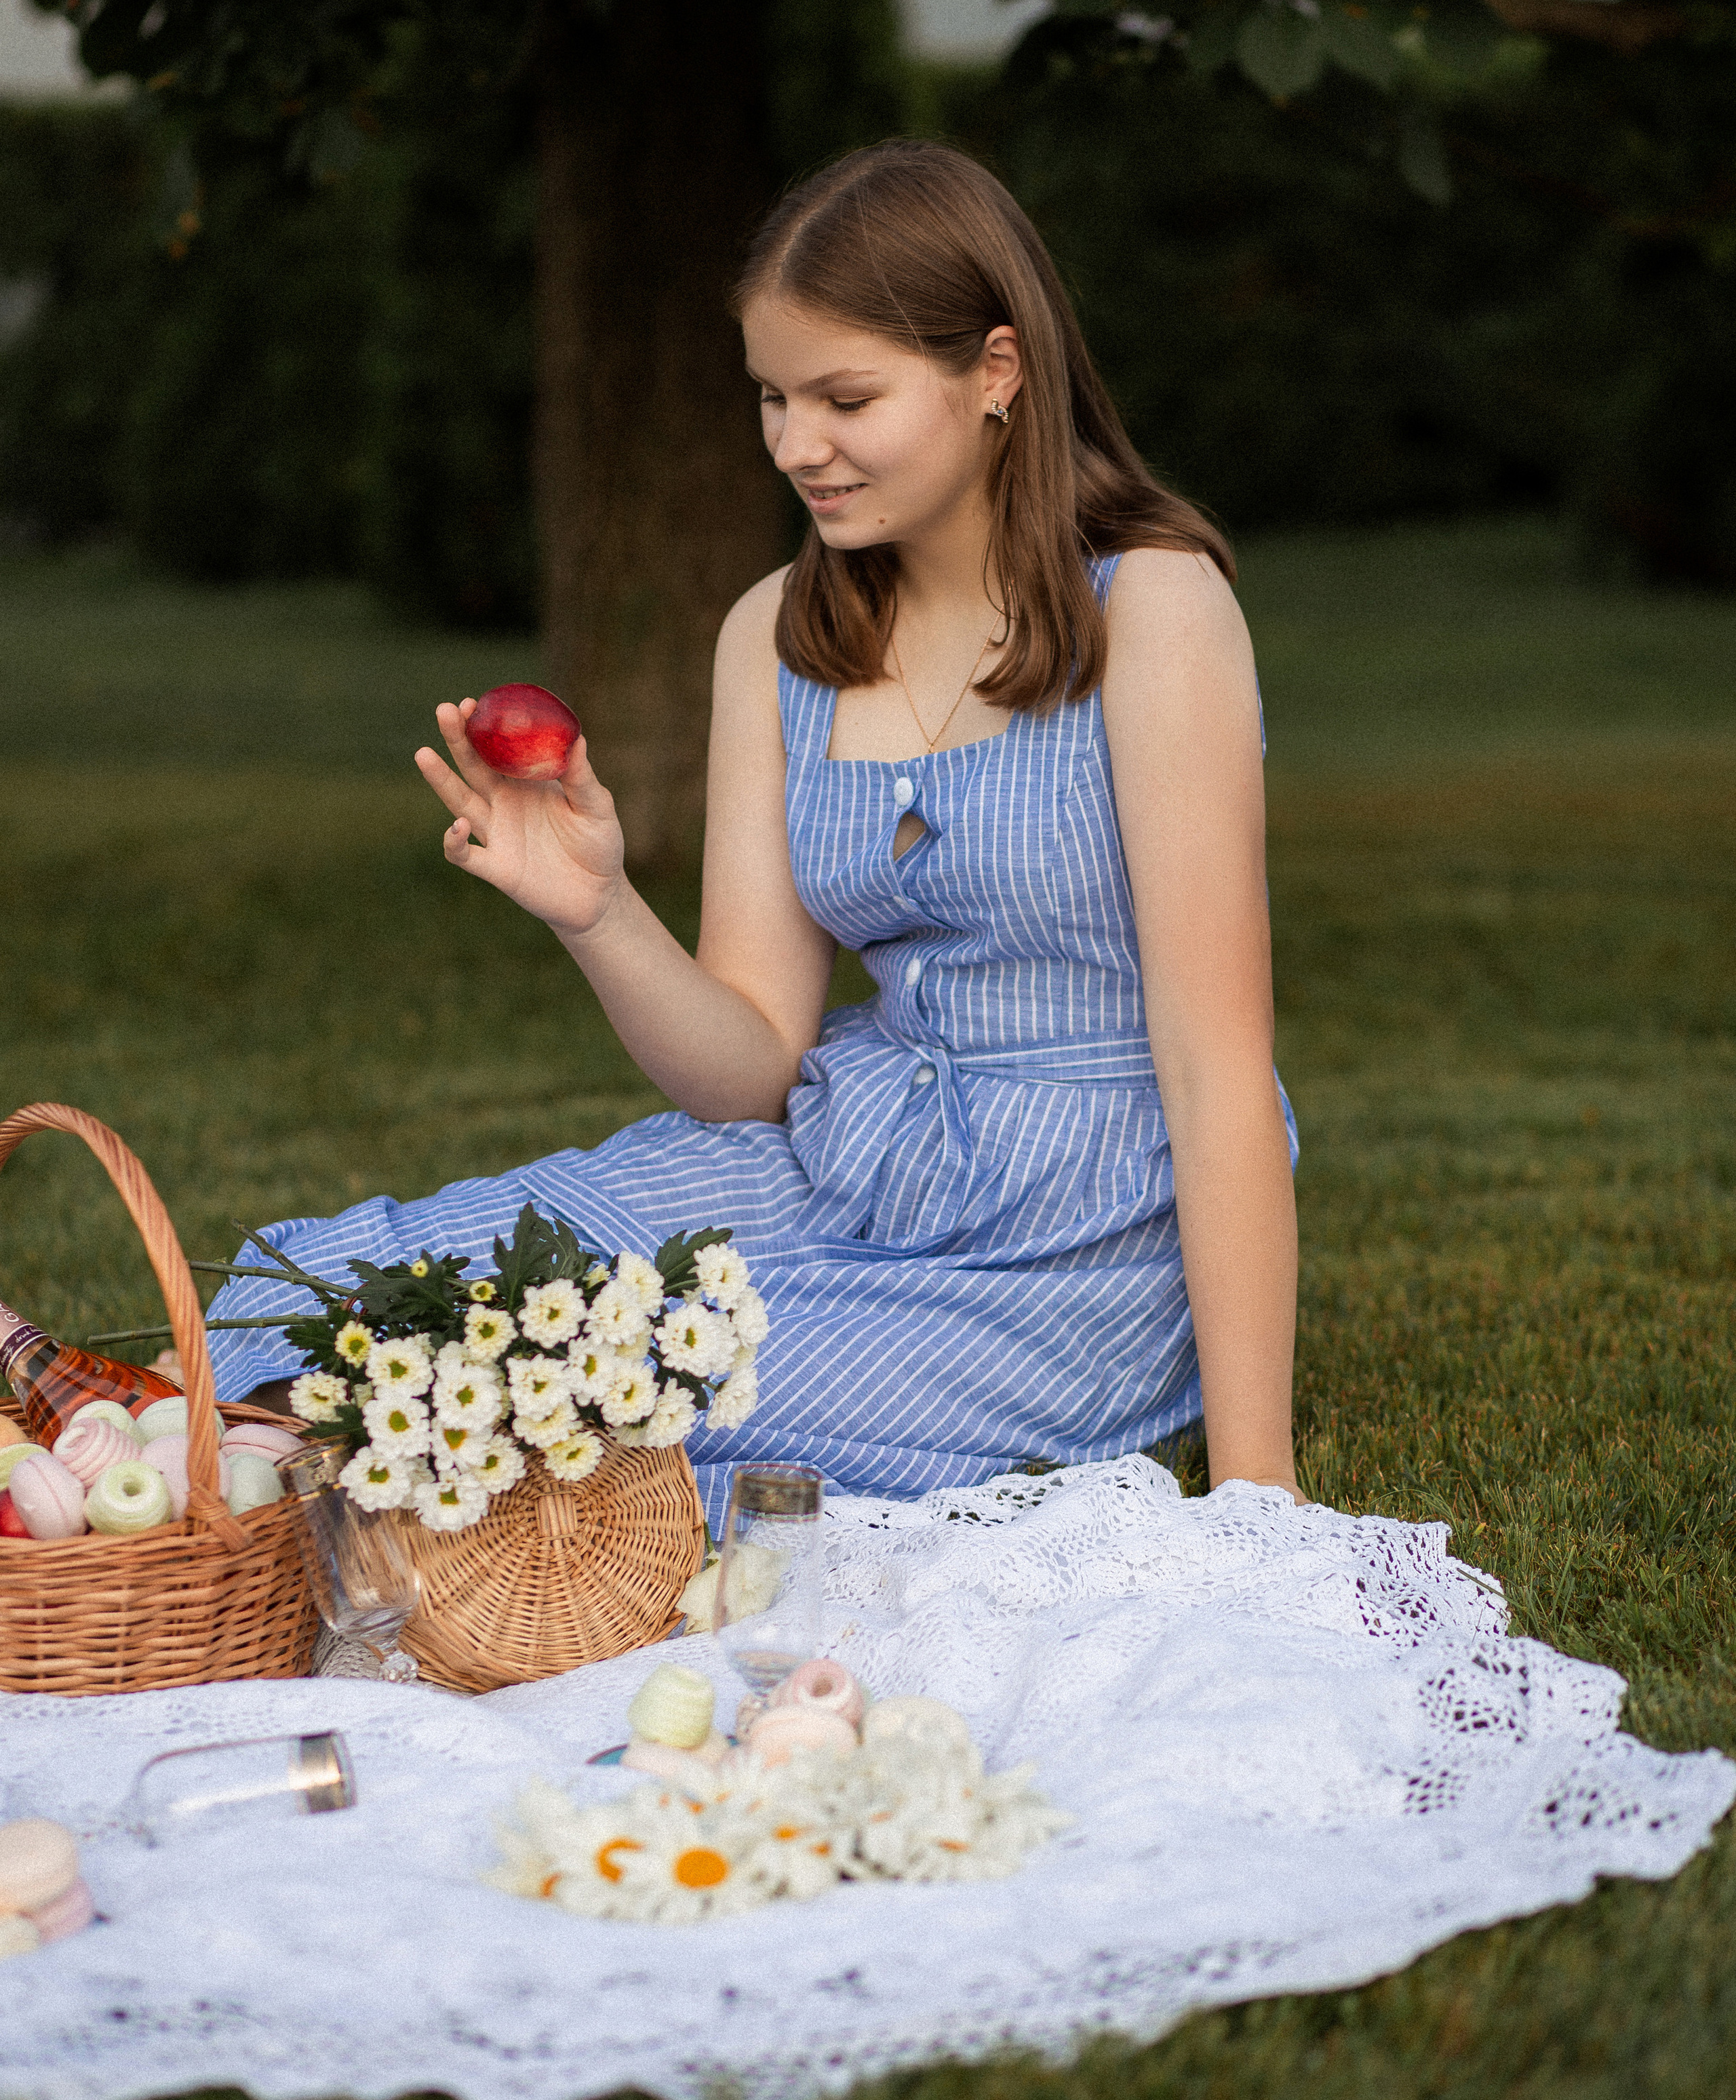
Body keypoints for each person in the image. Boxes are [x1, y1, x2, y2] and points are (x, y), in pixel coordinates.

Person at [209, 140, 1301, 1526]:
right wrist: (595, 909)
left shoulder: (1150, 611)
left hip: (1067, 1244)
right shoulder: (775, 639)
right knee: (329, 1303)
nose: (794, 445)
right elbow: (745, 1068)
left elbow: (1217, 1076)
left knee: (625, 1417)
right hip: (827, 1162)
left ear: (997, 373)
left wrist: (1259, 1497)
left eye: (846, 398)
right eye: (773, 398)